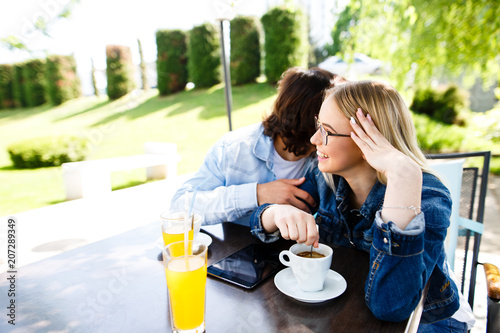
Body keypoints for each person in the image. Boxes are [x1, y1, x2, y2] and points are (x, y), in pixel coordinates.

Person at [250, 80, 475, 332]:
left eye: (326, 130)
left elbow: (391, 306)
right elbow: (259, 221)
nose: (314, 139)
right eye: (318, 125)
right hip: (349, 308)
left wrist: (403, 175)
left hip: (425, 322)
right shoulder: (323, 177)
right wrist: (276, 213)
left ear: (369, 140)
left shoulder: (428, 198)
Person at [170, 67, 345, 226]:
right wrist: (256, 194)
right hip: (240, 255)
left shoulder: (329, 158)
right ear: (312, 119)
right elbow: (181, 207)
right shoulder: (234, 149)